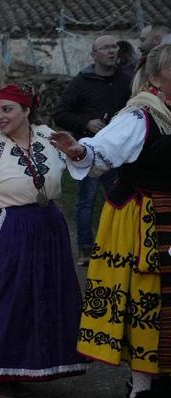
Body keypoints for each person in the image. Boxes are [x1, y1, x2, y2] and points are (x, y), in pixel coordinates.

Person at [50, 45, 171, 398]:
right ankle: (140, 390)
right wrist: (78, 150)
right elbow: (101, 150)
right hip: (144, 222)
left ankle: (162, 379)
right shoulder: (140, 115)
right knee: (145, 300)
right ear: (155, 77)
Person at [0, 83, 87, 398]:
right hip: (10, 230)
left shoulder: (48, 137)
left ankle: (37, 364)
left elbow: (85, 167)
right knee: (11, 298)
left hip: (49, 228)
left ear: (27, 111)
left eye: (7, 109)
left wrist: (77, 152)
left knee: (46, 296)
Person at [53, 35, 131, 265]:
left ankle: (116, 248)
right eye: (105, 47)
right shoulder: (81, 82)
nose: (112, 50)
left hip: (119, 153)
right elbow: (60, 114)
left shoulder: (126, 81)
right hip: (88, 151)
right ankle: (86, 249)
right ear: (94, 54)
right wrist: (86, 122)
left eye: (114, 46)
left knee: (120, 200)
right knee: (86, 200)